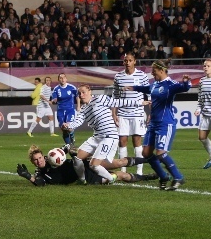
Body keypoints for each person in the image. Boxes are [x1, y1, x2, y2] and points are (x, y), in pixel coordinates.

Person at [61, 84, 150, 184]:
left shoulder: (100, 99)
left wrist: (139, 102)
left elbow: (117, 102)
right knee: (77, 158)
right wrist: (68, 126)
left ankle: (111, 178)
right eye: (79, 93)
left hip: (109, 136)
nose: (81, 95)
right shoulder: (83, 109)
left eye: (83, 92)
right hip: (97, 137)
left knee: (93, 165)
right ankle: (82, 181)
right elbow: (77, 122)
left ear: (90, 91)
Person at [126, 60, 191, 190]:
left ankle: (178, 177)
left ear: (161, 70)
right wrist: (133, 87)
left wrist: (186, 82)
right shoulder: (155, 84)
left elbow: (184, 87)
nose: (152, 72)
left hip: (165, 123)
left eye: (153, 70)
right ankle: (163, 176)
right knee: (146, 153)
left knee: (161, 153)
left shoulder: (171, 84)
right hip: (153, 123)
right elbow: (146, 88)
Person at [17, 144, 158, 186]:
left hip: (86, 164)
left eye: (40, 158)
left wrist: (69, 148)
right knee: (121, 175)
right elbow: (40, 183)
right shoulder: (39, 174)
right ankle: (149, 177)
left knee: (118, 162)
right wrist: (28, 176)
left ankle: (150, 159)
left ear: (43, 156)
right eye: (35, 160)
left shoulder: (53, 156)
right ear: (32, 162)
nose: (39, 161)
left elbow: (64, 149)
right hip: (88, 178)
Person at [112, 52, 149, 176]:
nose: (127, 62)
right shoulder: (118, 77)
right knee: (122, 141)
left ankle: (139, 171)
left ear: (135, 61)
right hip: (122, 113)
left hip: (137, 113)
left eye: (130, 60)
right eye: (125, 61)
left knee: (136, 141)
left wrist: (150, 112)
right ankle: (123, 170)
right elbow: (115, 96)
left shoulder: (142, 76)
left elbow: (148, 94)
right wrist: (114, 113)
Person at [51, 73, 80, 145]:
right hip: (60, 111)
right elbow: (54, 99)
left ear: (66, 79)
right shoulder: (56, 89)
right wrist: (54, 100)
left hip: (70, 110)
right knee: (63, 129)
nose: (62, 79)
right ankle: (69, 146)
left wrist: (78, 106)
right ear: (58, 80)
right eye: (60, 78)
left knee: (69, 127)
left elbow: (77, 96)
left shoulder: (71, 87)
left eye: (64, 77)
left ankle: (72, 137)